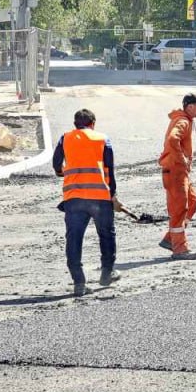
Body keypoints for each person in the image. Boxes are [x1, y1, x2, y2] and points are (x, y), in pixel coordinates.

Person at [53, 108, 119, 297]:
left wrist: (62, 172)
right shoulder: (102, 138)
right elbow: (110, 169)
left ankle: (79, 283)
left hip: (74, 199)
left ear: (75, 124)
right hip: (100, 197)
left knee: (74, 239)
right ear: (93, 123)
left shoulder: (65, 138)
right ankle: (107, 273)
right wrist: (112, 194)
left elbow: (57, 164)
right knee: (106, 235)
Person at [158, 93, 196, 260]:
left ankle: (170, 239)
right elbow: (173, 140)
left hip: (179, 172)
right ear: (190, 106)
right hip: (175, 171)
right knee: (179, 210)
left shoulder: (185, 120)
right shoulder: (183, 121)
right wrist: (182, 159)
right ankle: (180, 248)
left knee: (193, 202)